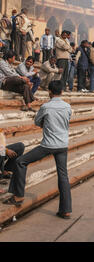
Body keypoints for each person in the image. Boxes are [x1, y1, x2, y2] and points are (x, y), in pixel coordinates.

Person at [3, 80, 72, 219]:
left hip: (48, 145)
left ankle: (18, 196)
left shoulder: (46, 107)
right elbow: (67, 121)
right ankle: (66, 210)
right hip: (62, 145)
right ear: (62, 92)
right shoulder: (67, 107)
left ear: (50, 92)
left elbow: (37, 122)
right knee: (63, 176)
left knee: (21, 162)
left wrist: (46, 124)